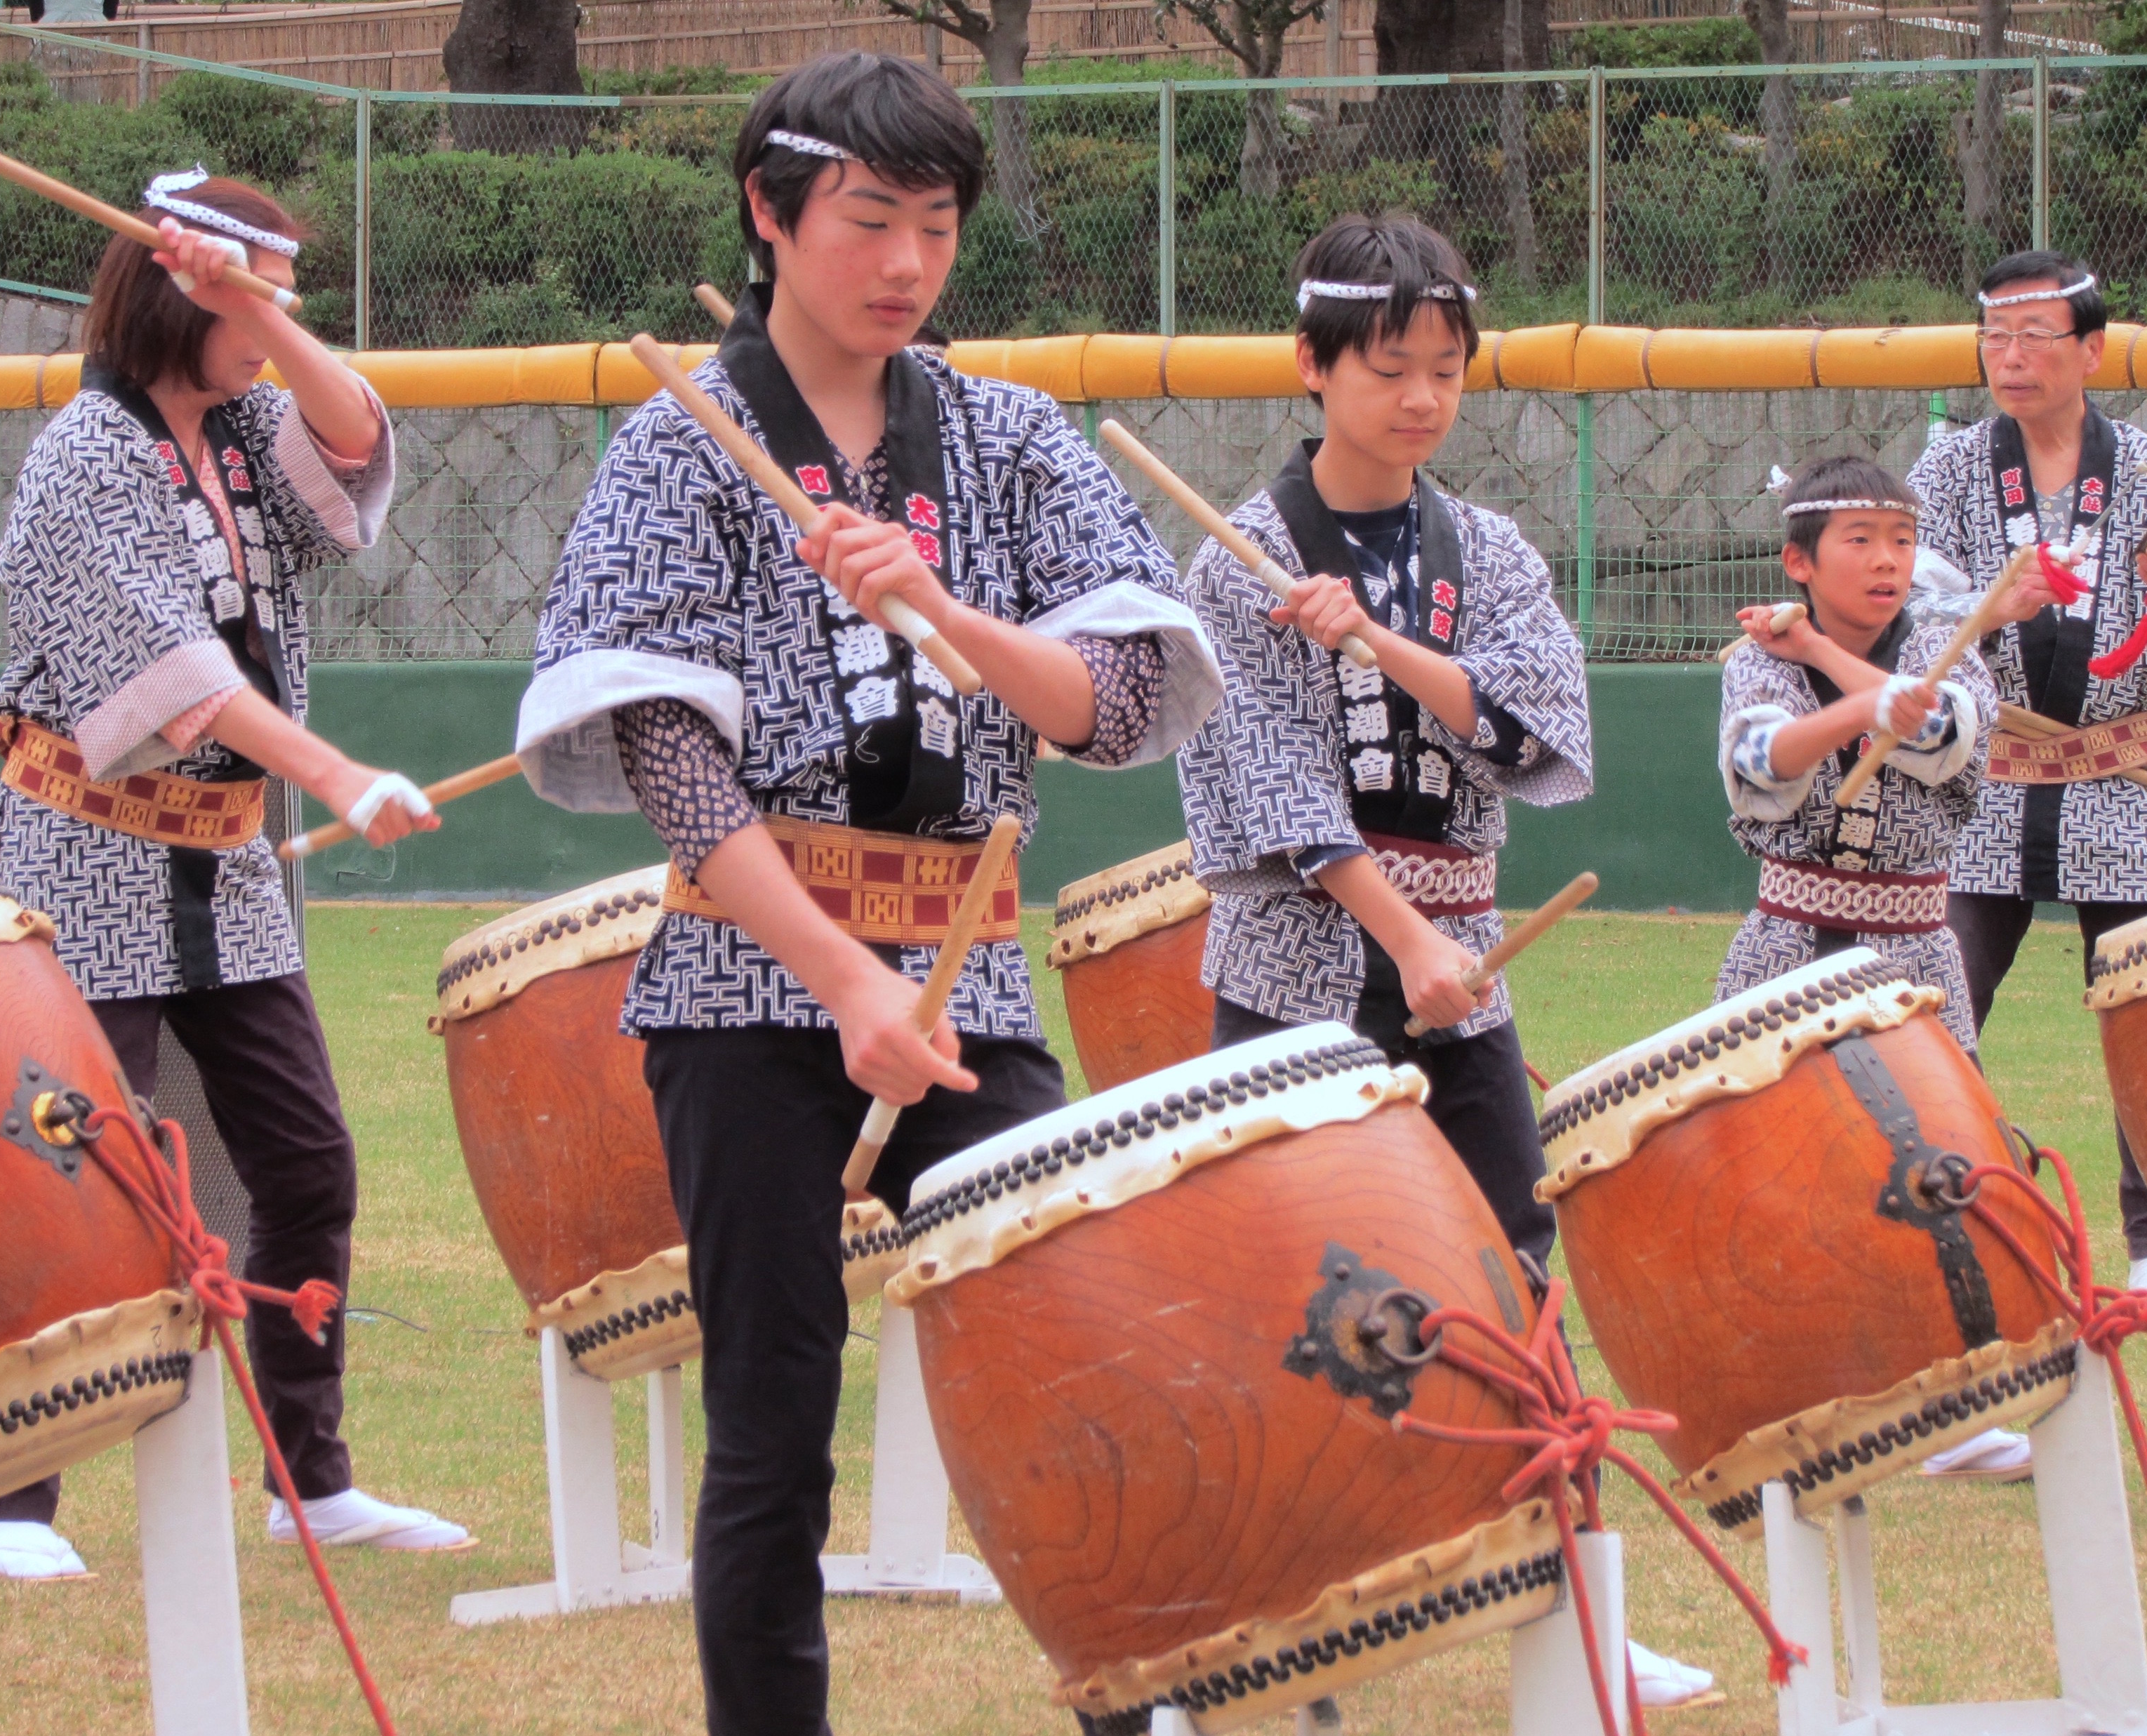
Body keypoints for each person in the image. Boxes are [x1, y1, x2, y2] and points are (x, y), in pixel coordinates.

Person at [514, 54, 1218, 1736]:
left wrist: (947, 609)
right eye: (869, 219)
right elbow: (672, 758)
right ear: (770, 215)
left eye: (938, 225)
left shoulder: (1008, 436)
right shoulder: (681, 441)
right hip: (751, 982)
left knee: (1069, 1362)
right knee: (771, 1420)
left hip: (965, 974)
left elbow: (1115, 701)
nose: (907, 263)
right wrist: (842, 982)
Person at [1172, 216, 1710, 1708]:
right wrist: (1404, 938)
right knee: (1286, 1290)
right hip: (1299, 968)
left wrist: (1380, 645)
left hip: (1464, 961)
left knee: (1513, 1270)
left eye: (1444, 370)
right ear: (1312, 365)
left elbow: (1543, 726)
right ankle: (1260, 1615)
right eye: (1388, 368)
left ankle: (1580, 1608)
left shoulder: (1490, 551)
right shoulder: (1236, 560)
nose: (1420, 398)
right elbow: (1265, 790)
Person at [0, 170, 470, 1579]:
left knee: (306, 1163)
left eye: (281, 306)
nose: (271, 332)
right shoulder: (82, 458)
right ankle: (10, 1506)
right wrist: (340, 775)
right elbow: (174, 680)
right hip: (85, 851)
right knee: (69, 1176)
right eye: (253, 303)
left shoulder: (246, 429)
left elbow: (353, 443)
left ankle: (310, 1481)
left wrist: (259, 303)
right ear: (173, 292)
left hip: (223, 868)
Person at [1905, 251, 2147, 1481]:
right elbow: (1912, 607)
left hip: (2124, 768)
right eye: (1993, 337)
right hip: (1993, 775)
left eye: (2034, 337)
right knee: (1936, 1009)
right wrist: (1982, 614)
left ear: (2088, 350)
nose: (2010, 358)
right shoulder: (1951, 469)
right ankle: (1965, 1242)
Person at [1717, 456, 1993, 1058]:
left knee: (1934, 1118)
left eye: (1903, 540)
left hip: (1916, 961)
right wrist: (1862, 709)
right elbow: (1761, 762)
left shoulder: (1947, 654)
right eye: (1861, 540)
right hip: (1783, 956)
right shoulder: (1757, 662)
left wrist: (1817, 651)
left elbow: (1939, 732)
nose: (1887, 560)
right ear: (1800, 562)